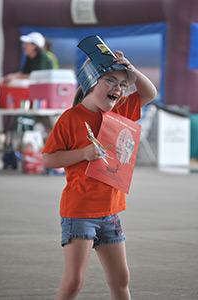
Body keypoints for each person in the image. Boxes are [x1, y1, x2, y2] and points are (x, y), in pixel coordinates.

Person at [42, 35, 157, 300]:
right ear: (91, 82)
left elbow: (149, 92)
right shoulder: (70, 119)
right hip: (80, 211)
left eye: (123, 85)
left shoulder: (121, 112)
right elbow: (48, 159)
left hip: (111, 212)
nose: (119, 88)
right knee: (74, 282)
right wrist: (83, 153)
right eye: (111, 81)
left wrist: (132, 70)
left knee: (121, 279)